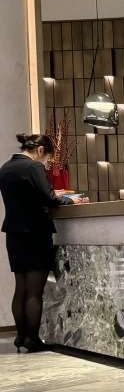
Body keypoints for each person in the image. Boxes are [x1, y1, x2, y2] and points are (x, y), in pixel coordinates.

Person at [0, 133, 87, 353]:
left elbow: (28, 196)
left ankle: (20, 337)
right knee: (34, 292)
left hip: (14, 234)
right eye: (47, 158)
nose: (46, 162)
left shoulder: (6, 167)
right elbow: (49, 198)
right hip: (35, 233)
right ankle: (32, 339)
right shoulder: (34, 167)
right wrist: (70, 199)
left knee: (21, 288)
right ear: (40, 151)